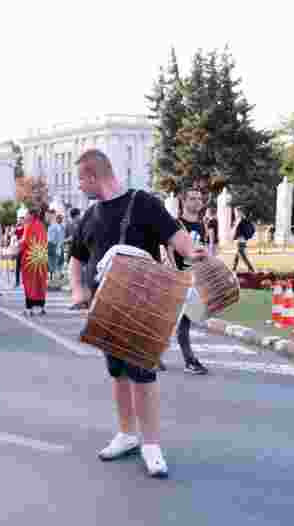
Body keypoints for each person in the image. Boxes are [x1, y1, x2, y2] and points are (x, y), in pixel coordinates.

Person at [67, 149, 204, 478]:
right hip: (106, 308)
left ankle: (151, 445)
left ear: (92, 176)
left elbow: (175, 234)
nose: (80, 187)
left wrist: (192, 251)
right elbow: (75, 258)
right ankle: (127, 435)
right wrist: (78, 289)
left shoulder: (143, 203)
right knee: (117, 373)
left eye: (81, 181)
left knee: (143, 376)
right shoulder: (90, 216)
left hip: (142, 305)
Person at [167, 188, 209, 376]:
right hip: (176, 277)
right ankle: (152, 354)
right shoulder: (175, 224)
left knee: (184, 320)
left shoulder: (202, 226)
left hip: (194, 279)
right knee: (166, 319)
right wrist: (173, 271)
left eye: (199, 199)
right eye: (192, 198)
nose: (197, 202)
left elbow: (205, 250)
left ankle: (189, 360)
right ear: (184, 202)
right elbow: (167, 249)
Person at [20, 207, 49, 315]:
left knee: (29, 283)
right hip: (41, 258)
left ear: (31, 215)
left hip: (30, 259)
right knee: (40, 282)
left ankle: (29, 308)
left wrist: (19, 245)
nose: (25, 216)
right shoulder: (42, 226)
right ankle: (41, 307)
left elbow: (26, 242)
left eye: (27, 214)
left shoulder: (29, 226)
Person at [46, 208, 66, 284]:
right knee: (52, 263)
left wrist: (59, 246)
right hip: (52, 245)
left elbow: (60, 237)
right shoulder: (52, 225)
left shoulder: (57, 226)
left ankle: (55, 279)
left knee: (56, 262)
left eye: (48, 215)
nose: (47, 217)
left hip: (55, 245)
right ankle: (54, 278)